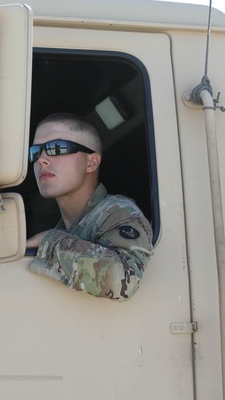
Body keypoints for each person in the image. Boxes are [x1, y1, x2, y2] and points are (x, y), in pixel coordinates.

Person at [25, 113, 154, 300]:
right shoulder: (66, 227)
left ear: (91, 162)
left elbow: (124, 279)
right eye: (35, 152)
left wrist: (49, 241)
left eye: (57, 148)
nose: (41, 160)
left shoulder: (117, 212)